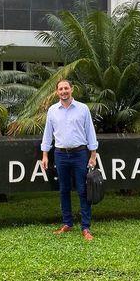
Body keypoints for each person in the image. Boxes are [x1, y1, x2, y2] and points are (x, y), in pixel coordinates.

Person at [40, 79, 98, 241]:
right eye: (60, 89)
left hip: (80, 154)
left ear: (72, 89)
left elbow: (90, 132)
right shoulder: (52, 110)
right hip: (60, 154)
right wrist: (45, 155)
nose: (64, 91)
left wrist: (93, 155)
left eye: (66, 88)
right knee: (64, 190)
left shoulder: (83, 109)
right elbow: (47, 134)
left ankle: (85, 227)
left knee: (83, 190)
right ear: (57, 92)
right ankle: (67, 223)